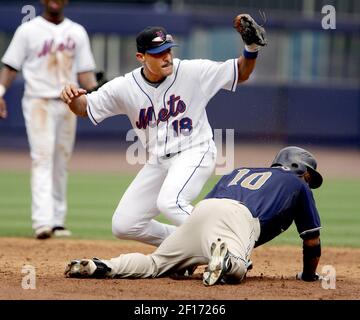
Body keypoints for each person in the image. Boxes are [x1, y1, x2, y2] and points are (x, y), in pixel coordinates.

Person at [60, 14, 267, 247]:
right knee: (125, 224)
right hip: (159, 161)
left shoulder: (192, 72)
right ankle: (184, 244)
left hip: (195, 151)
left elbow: (241, 71)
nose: (167, 57)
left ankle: (228, 245)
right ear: (141, 57)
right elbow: (84, 108)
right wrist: (71, 99)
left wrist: (250, 48)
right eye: (158, 53)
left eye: (168, 50)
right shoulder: (124, 87)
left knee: (171, 202)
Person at [65, 146, 324, 286]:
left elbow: (208, 208)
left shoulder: (239, 171)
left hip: (203, 211)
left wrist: (188, 257)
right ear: (300, 169)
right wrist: (309, 277)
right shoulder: (298, 184)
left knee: (156, 264)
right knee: (237, 271)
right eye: (311, 176)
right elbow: (312, 241)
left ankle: (104, 266)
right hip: (239, 219)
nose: (310, 182)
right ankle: (228, 261)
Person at [0, 0, 98, 239]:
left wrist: (98, 96)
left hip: (69, 102)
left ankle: (57, 221)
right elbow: (11, 65)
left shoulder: (76, 31)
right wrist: (0, 91)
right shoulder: (28, 30)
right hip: (38, 101)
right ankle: (42, 221)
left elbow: (85, 72)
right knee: (42, 157)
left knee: (61, 161)